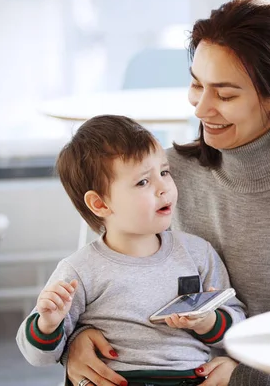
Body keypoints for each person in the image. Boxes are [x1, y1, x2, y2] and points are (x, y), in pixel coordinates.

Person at [65, 0, 270, 386]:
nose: (201, 109)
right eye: (196, 85)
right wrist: (76, 338)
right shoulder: (162, 177)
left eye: (224, 95)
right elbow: (97, 276)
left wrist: (252, 377)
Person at [15, 115, 246, 386]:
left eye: (164, 172)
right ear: (100, 204)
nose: (164, 188)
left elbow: (239, 326)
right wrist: (48, 323)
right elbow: (37, 356)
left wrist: (207, 321)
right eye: (143, 182)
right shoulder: (79, 270)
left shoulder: (198, 253)